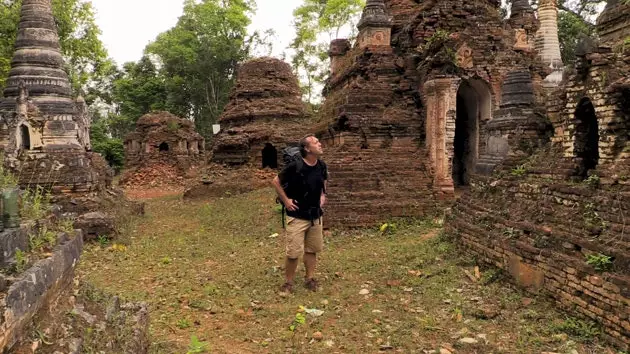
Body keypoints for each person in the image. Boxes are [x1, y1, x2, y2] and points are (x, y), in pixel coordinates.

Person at [272, 134, 328, 293]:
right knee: (293, 252)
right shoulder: (295, 166)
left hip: (315, 216)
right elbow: (276, 181)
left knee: (312, 250)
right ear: (307, 148)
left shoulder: (321, 165)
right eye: (316, 142)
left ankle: (309, 279)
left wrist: (323, 195)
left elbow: (324, 180)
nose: (320, 144)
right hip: (297, 216)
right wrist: (286, 200)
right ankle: (288, 282)